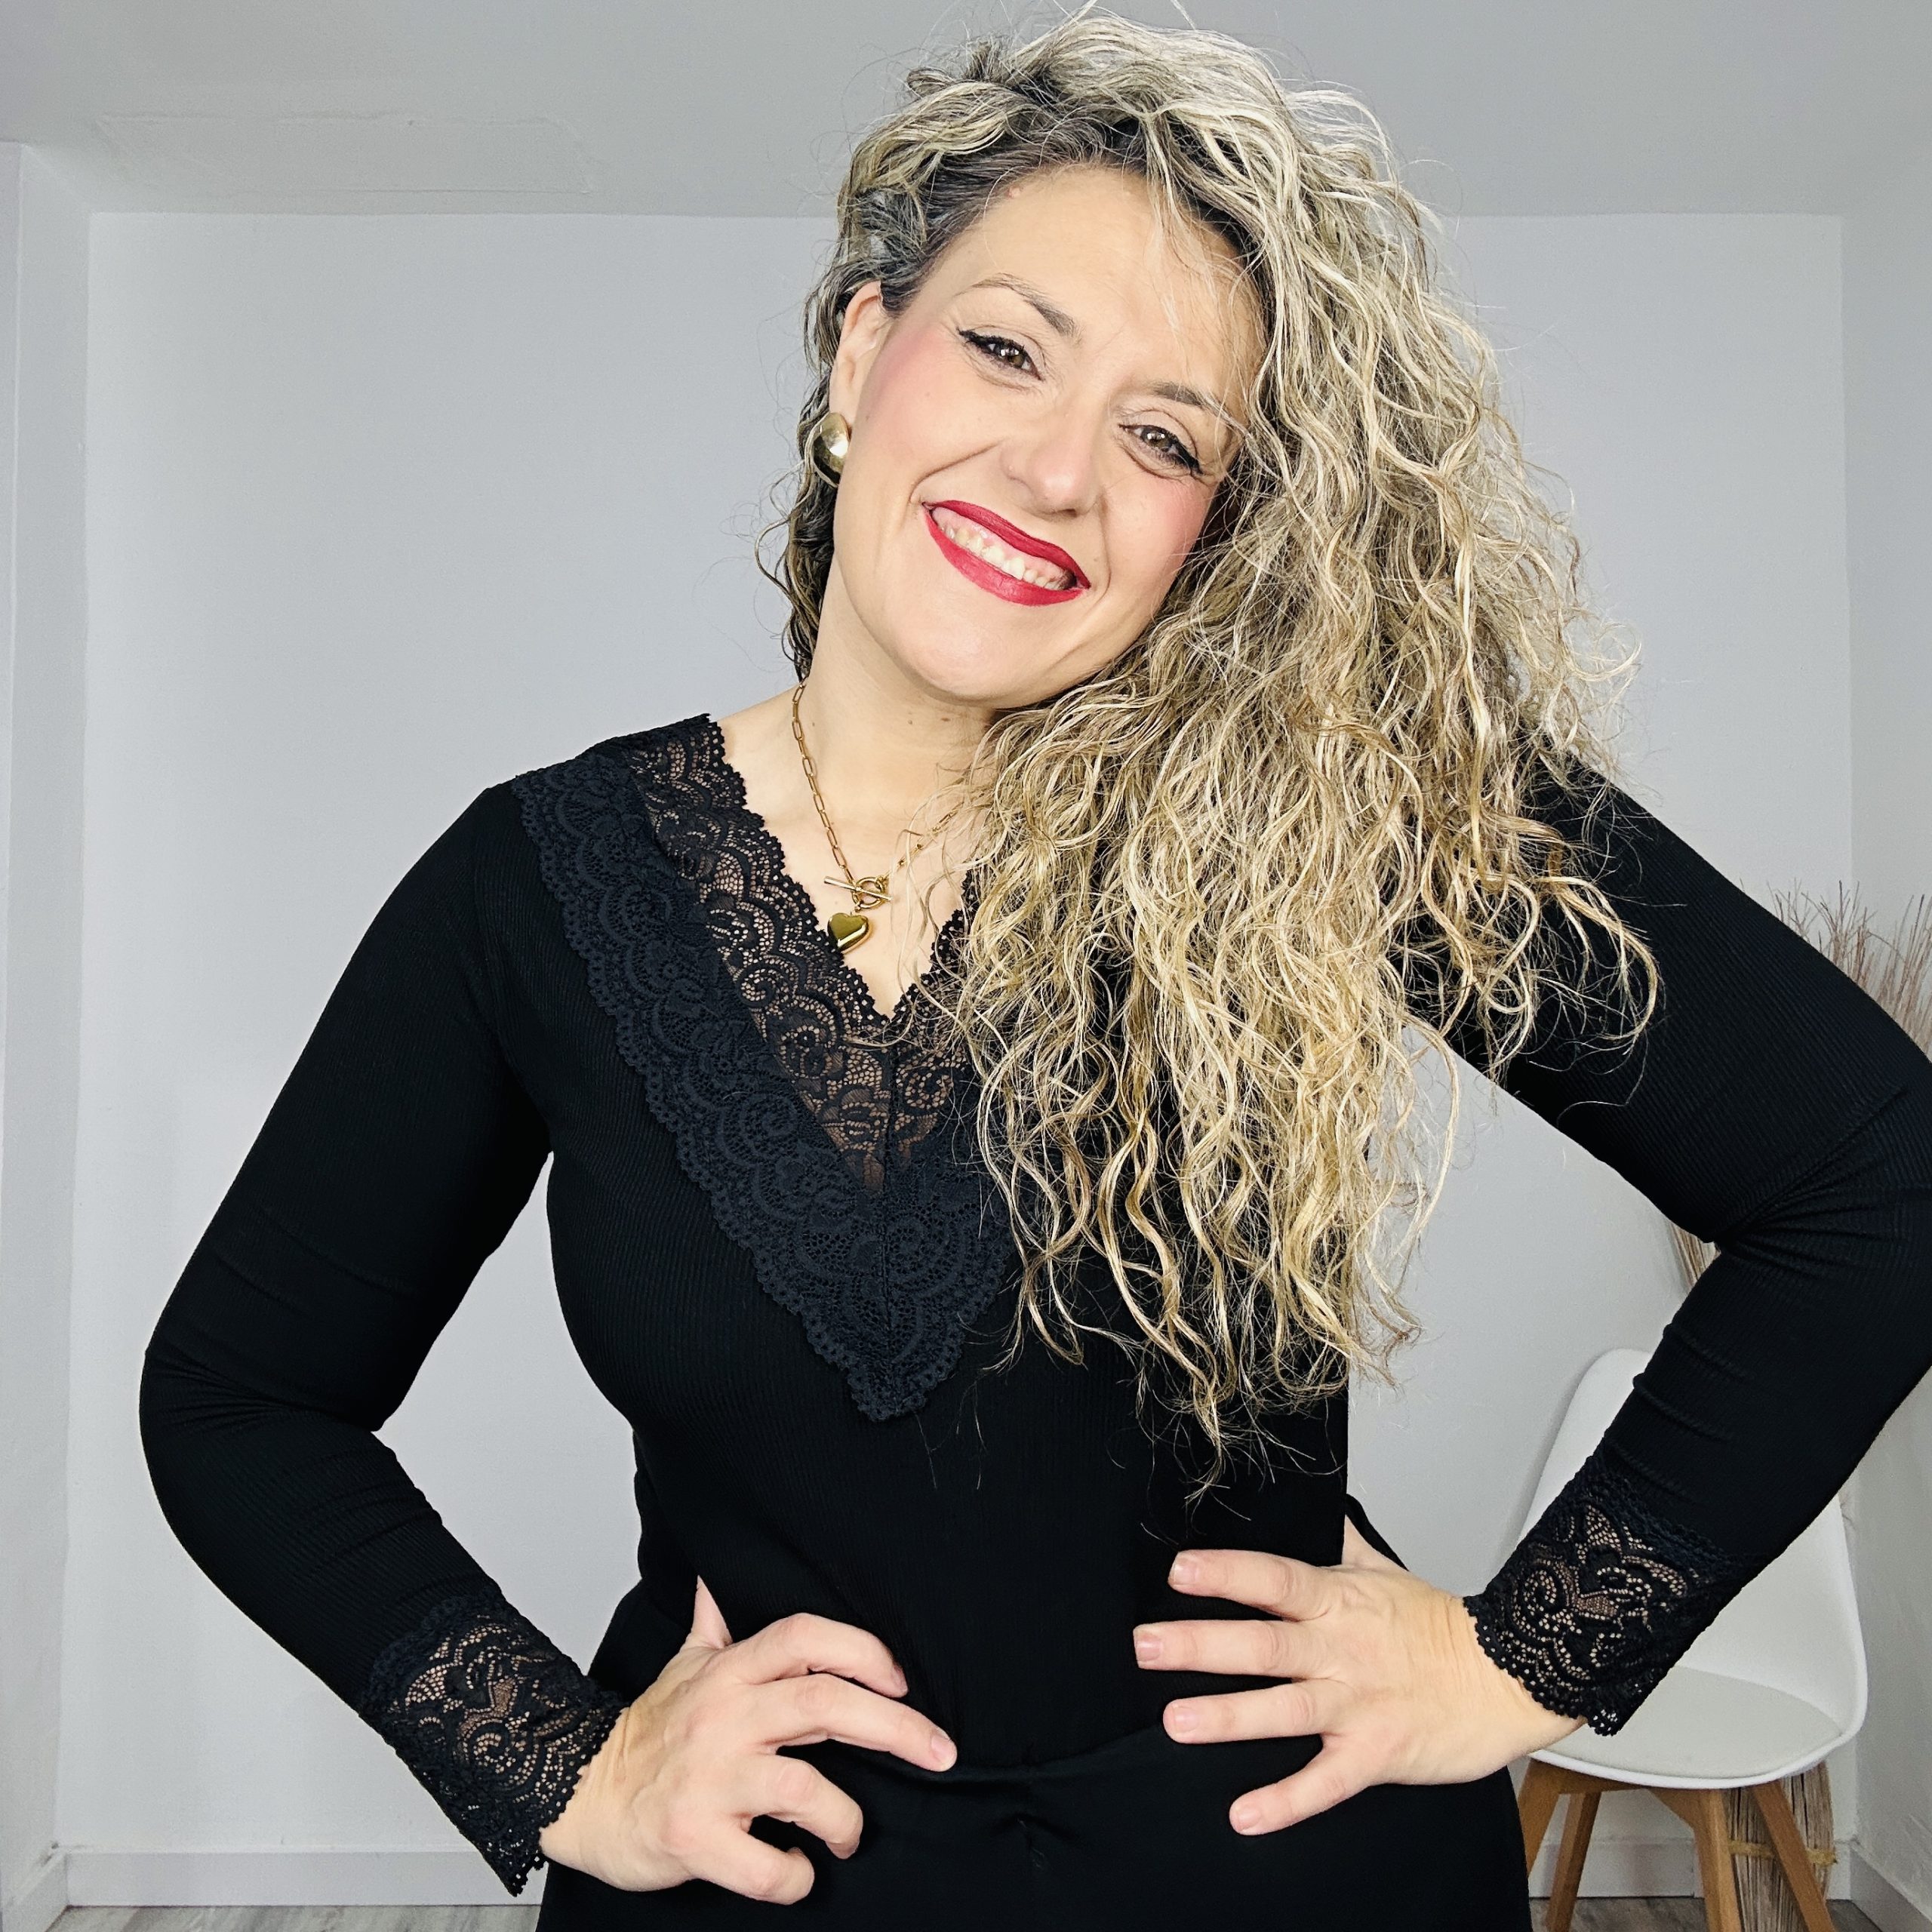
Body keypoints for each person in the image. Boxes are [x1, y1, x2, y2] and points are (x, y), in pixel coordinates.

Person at [139, 16, 1932, 1931]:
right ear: (862, 352)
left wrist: (1520, 1660)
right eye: (1006, 347)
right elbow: (242, 1398)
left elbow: (1870, 1177)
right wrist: (559, 1764)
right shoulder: (537, 882)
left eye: (1166, 435)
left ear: (1216, 524)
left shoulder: (1342, 812)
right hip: (753, 1889)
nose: (1059, 467)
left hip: (1285, 1884)